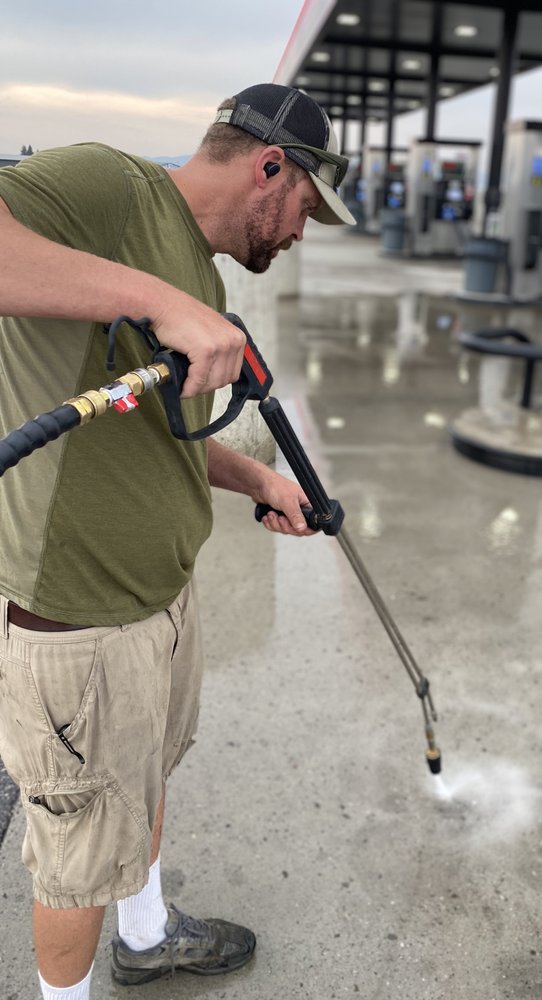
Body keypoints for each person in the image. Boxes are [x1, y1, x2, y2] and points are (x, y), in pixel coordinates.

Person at [0, 83, 355, 1000]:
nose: (301, 234)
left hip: (161, 592)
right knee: (77, 849)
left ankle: (147, 936)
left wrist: (263, 480)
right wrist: (156, 298)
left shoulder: (200, 272)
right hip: (76, 611)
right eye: (306, 210)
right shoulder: (113, 187)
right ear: (269, 167)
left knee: (148, 777)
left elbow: (166, 440)